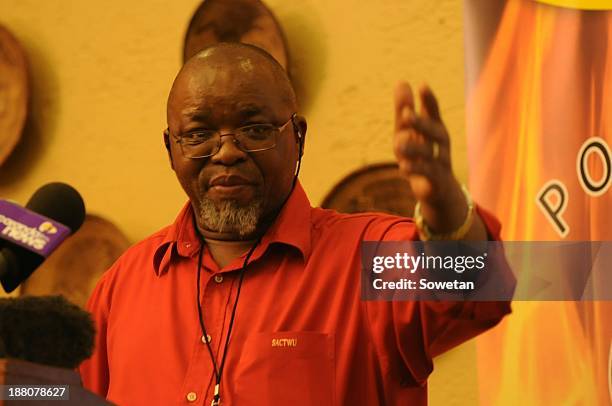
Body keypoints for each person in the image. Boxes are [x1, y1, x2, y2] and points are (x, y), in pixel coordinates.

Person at [79, 43, 512, 406]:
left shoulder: (365, 260)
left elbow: (480, 289)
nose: (226, 151)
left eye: (254, 128)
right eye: (198, 133)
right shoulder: (122, 287)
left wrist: (444, 203)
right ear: (170, 148)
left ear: (298, 136)